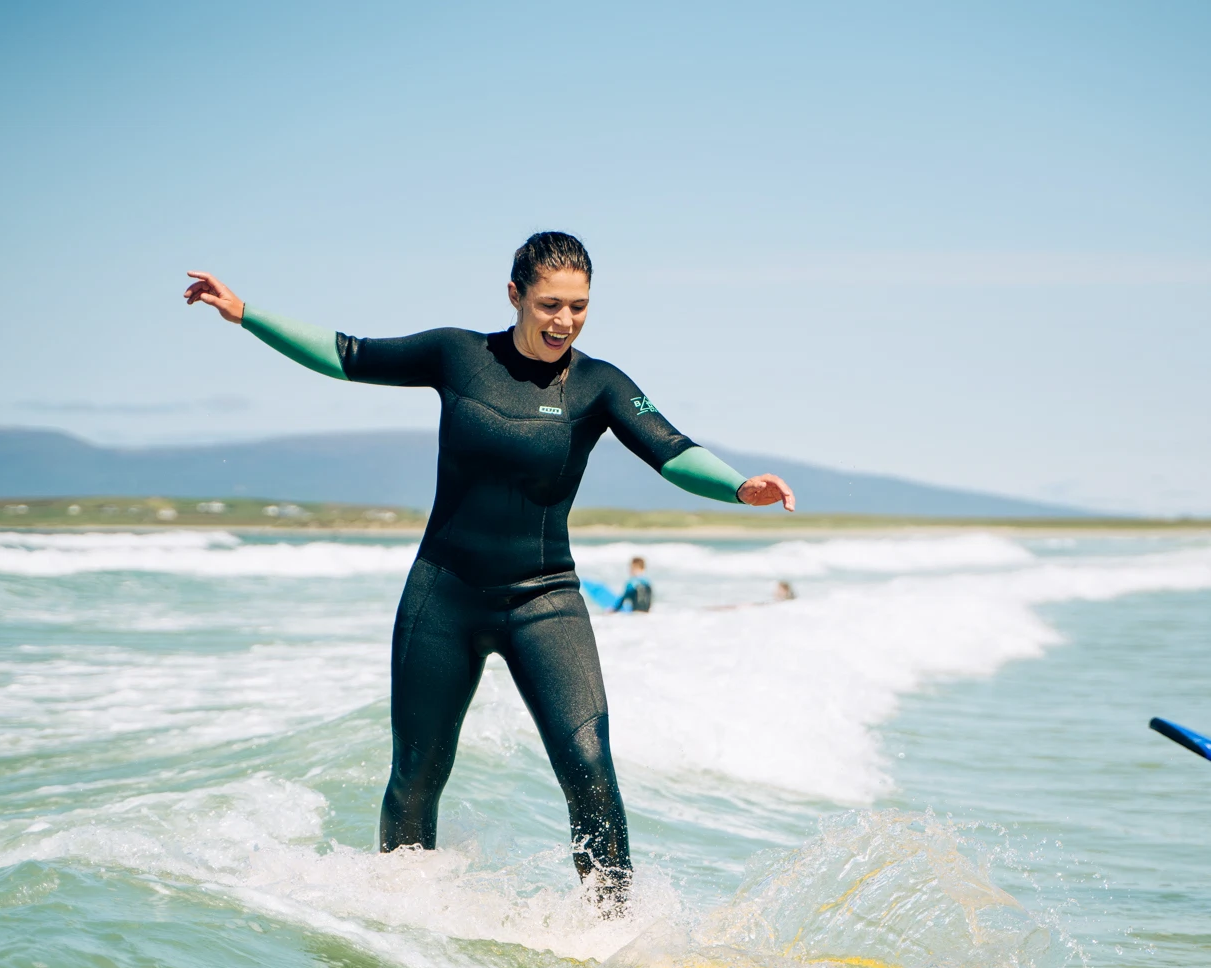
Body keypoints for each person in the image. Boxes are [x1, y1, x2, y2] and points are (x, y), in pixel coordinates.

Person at [183, 233, 794, 911]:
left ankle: (612, 927)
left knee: (590, 768)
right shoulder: (458, 355)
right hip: (442, 597)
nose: (565, 321)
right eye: (551, 304)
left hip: (544, 601)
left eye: (580, 307)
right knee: (416, 777)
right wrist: (248, 313)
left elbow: (671, 449)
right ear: (515, 295)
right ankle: (399, 912)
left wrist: (739, 487)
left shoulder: (599, 385)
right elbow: (347, 355)